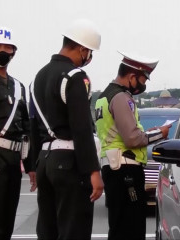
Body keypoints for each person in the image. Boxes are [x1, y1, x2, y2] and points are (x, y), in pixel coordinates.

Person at [29, 19, 104, 240]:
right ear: (82, 49)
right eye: (89, 52)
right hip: (69, 162)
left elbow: (34, 124)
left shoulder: (38, 77)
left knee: (48, 230)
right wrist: (94, 171)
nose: (89, 58)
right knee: (74, 230)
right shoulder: (75, 77)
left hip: (44, 160)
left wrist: (34, 163)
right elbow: (81, 128)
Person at [95, 52, 171, 240]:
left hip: (112, 168)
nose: (143, 85)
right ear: (131, 76)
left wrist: (146, 132)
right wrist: (159, 133)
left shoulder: (103, 97)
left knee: (118, 226)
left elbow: (120, 132)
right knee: (133, 228)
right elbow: (132, 139)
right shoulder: (121, 97)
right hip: (126, 170)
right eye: (142, 80)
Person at [0, 26, 36, 240]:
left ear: (13, 52)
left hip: (13, 160)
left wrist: (31, 167)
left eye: (7, 47)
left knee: (7, 219)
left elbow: (27, 130)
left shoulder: (19, 87)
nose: (3, 51)